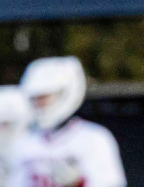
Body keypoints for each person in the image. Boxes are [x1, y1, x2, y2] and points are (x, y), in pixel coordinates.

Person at [11, 56, 125, 187]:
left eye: (45, 97)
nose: (40, 104)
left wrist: (79, 183)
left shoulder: (94, 139)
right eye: (36, 98)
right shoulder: (24, 143)